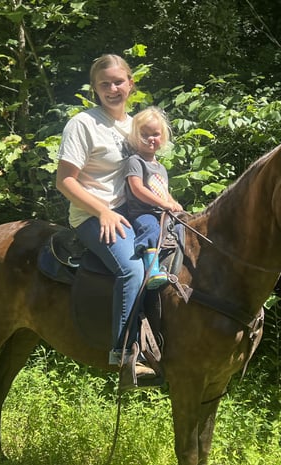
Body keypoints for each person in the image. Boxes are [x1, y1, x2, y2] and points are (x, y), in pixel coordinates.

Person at [55, 54, 154, 377]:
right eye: (104, 84)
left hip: (132, 213)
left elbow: (147, 173)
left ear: (131, 84)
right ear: (94, 89)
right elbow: (65, 180)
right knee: (132, 269)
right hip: (92, 215)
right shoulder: (84, 124)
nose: (113, 89)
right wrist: (102, 212)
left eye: (118, 82)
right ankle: (124, 354)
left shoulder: (135, 126)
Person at [123, 107, 182, 289]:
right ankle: (152, 269)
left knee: (182, 227)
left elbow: (163, 190)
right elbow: (137, 188)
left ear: (162, 138)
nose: (151, 139)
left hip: (161, 212)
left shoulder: (160, 167)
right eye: (144, 134)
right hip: (142, 212)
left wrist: (172, 202)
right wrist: (163, 203)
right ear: (135, 136)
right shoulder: (135, 161)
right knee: (150, 229)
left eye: (155, 134)